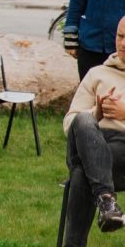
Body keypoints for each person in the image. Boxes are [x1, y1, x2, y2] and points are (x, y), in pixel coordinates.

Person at [61, 14, 125, 246]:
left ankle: (104, 200)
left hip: (121, 155)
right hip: (90, 142)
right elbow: (70, 124)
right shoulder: (97, 74)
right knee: (83, 121)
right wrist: (97, 112)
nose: (124, 43)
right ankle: (107, 201)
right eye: (120, 36)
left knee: (82, 174)